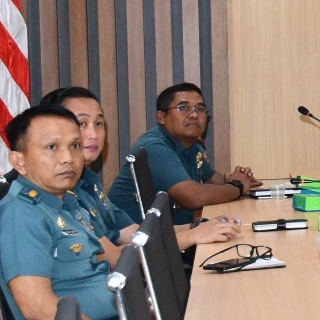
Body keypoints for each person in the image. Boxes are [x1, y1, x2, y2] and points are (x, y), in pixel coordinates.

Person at [0, 105, 132, 320]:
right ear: (19, 161)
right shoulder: (21, 215)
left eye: (74, 146)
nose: (68, 158)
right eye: (52, 147)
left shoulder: (65, 203)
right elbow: (38, 308)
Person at [42, 85, 241, 249]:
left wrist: (197, 227)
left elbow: (132, 233)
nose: (94, 134)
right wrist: (192, 236)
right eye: (82, 123)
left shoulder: (87, 181)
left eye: (99, 123)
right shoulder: (52, 193)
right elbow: (113, 257)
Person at [107, 82, 263, 225]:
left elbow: (211, 179)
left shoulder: (192, 145)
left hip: (170, 235)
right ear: (161, 117)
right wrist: (238, 187)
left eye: (200, 109)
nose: (194, 115)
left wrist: (231, 179)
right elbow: (193, 197)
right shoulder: (153, 147)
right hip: (132, 241)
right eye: (183, 108)